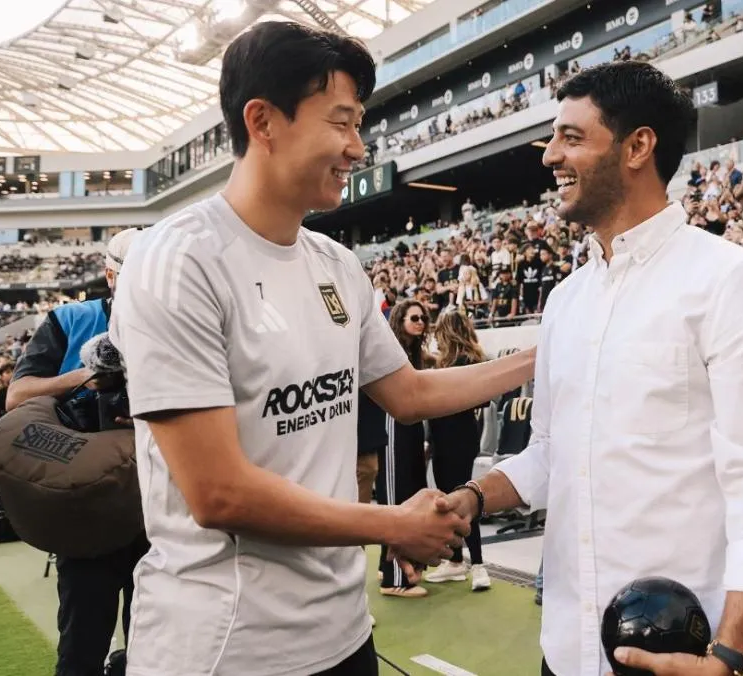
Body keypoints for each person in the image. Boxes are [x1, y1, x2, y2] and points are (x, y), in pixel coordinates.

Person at [107, 21, 534, 676]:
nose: (358, 148)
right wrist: (391, 525)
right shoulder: (179, 260)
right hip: (225, 646)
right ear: (263, 121)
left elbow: (410, 393)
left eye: (359, 124)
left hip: (342, 634)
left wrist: (541, 355)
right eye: (341, 122)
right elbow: (217, 492)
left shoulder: (337, 264)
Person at [433, 61, 743, 676]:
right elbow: (551, 453)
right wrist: (472, 498)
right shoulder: (565, 301)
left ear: (638, 146)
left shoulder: (731, 281)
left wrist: (732, 654)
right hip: (569, 649)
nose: (550, 155)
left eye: (572, 137)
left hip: (695, 653)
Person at [6, 226, 147, 676]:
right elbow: (18, 396)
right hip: (89, 507)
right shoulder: (71, 320)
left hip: (165, 504)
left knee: (158, 649)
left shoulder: (190, 315)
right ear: (110, 275)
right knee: (82, 647)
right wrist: (86, 374)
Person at [423, 311, 490, 591]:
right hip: (451, 435)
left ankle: (477, 565)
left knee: (460, 500)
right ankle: (455, 561)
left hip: (454, 437)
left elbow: (480, 400)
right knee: (451, 496)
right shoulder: (458, 361)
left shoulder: (462, 363)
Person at [378, 300, 432, 598]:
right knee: (397, 494)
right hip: (393, 424)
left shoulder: (414, 353)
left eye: (424, 317)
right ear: (400, 320)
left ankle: (392, 567)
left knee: (412, 487)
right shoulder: (392, 351)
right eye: (415, 317)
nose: (421, 321)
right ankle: (393, 579)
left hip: (410, 427)